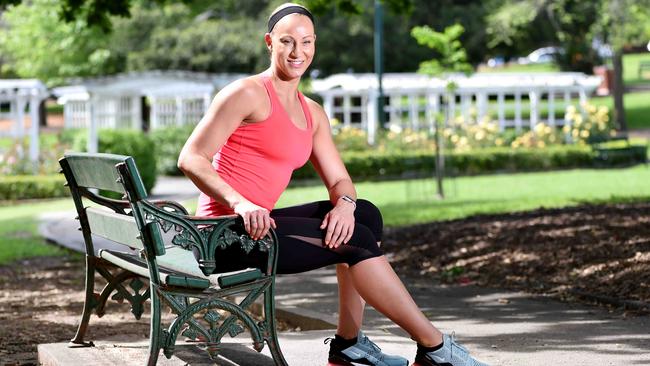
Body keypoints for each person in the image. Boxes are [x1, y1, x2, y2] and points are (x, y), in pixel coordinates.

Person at [177, 3, 489, 366]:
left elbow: (341, 180)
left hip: (259, 227)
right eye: (287, 41)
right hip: (222, 235)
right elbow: (191, 157)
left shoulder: (312, 112)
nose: (298, 52)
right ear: (269, 42)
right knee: (355, 241)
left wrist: (345, 204)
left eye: (306, 42)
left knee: (365, 214)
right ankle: (436, 348)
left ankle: (348, 343)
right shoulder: (246, 93)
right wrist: (240, 202)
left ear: (315, 44)